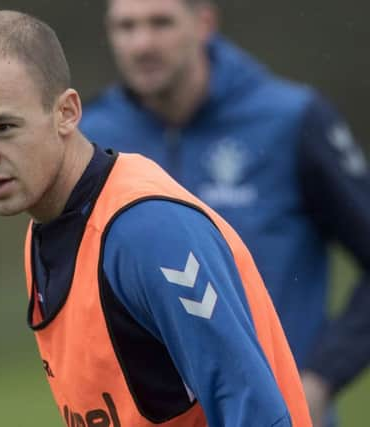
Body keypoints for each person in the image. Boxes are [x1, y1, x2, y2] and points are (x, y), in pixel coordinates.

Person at [0, 10, 312, 426]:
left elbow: (255, 412)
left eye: (3, 127)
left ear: (66, 112)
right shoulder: (43, 233)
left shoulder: (147, 230)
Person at [79, 1, 370, 426]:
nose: (141, 44)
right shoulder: (92, 136)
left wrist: (321, 377)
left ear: (204, 23)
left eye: (160, 23)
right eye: (126, 27)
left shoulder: (290, 121)